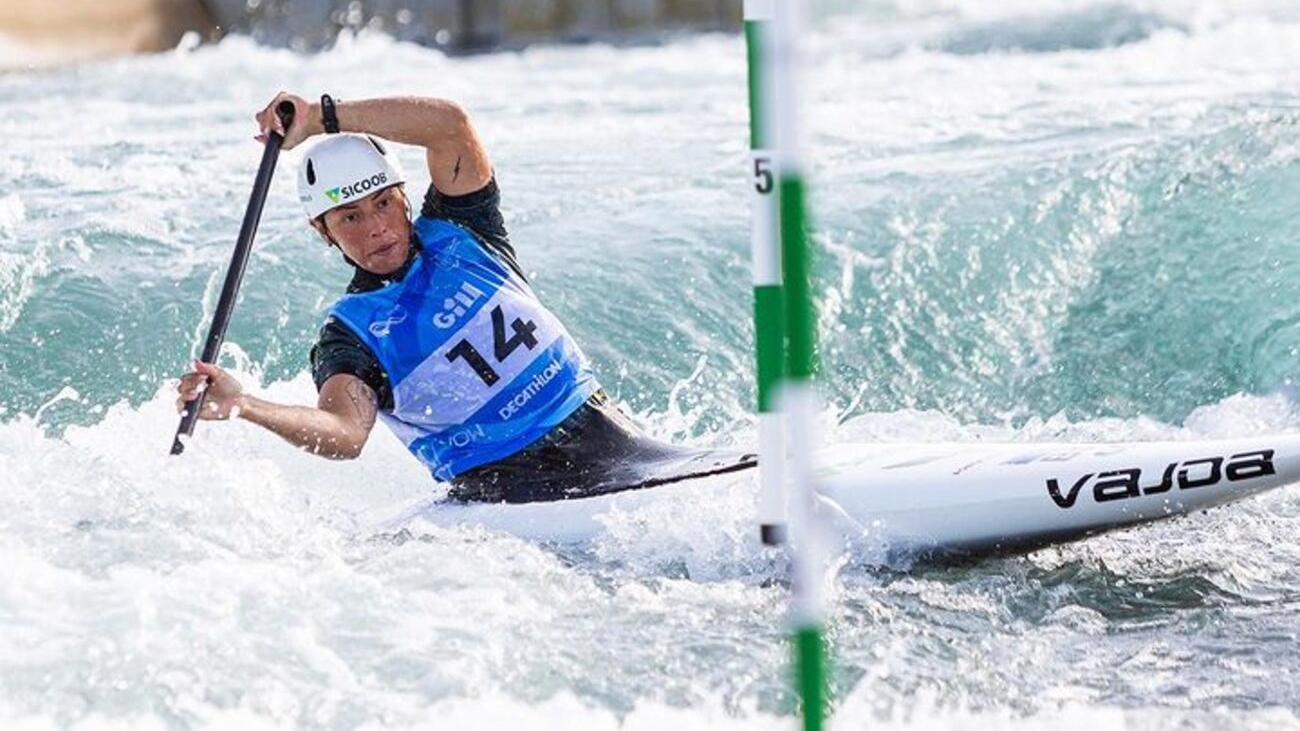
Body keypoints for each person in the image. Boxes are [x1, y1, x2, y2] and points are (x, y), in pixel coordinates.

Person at [176, 92, 754, 503]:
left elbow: (450, 126)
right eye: (349, 216)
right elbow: (346, 434)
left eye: (382, 202)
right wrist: (246, 405)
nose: (376, 226)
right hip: (511, 495)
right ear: (323, 232)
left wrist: (323, 117)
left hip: (619, 444)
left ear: (404, 197)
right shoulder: (351, 333)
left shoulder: (464, 232)